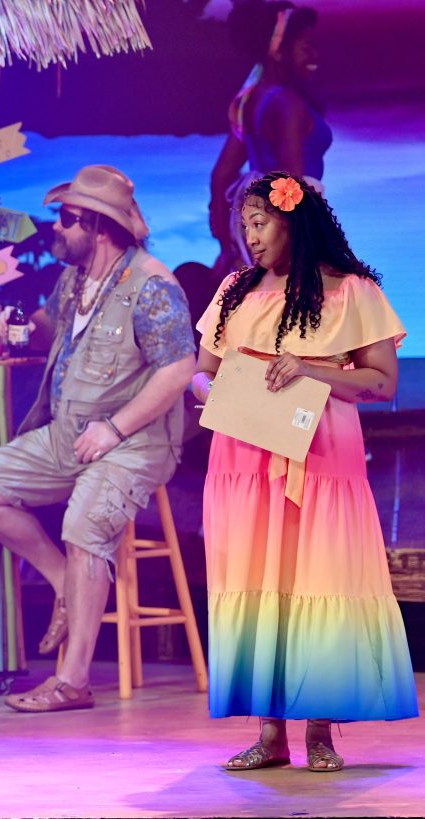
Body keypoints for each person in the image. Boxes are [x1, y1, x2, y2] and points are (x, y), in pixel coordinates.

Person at [192, 172, 418, 771]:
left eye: (260, 223)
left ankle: (320, 730)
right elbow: (201, 370)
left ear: (294, 221)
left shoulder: (351, 291)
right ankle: (271, 735)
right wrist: (215, 392)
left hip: (319, 455)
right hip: (244, 456)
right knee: (258, 580)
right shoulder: (236, 290)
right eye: (244, 226)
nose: (250, 237)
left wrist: (311, 370)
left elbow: (381, 382)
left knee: (319, 576)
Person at [0, 165, 195, 712]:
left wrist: (115, 428)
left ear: (99, 227)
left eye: (66, 220)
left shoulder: (152, 285)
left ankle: (73, 681)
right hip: (70, 434)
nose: (56, 229)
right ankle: (63, 579)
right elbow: (50, 329)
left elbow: (178, 370)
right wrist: (7, 316)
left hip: (133, 443)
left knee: (84, 522)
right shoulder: (75, 279)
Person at [209, 1, 330, 274]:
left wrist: (228, 246)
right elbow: (290, 184)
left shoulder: (252, 99)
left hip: (261, 220)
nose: (315, 55)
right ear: (278, 50)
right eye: (306, 46)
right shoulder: (287, 104)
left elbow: (221, 175)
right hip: (287, 224)